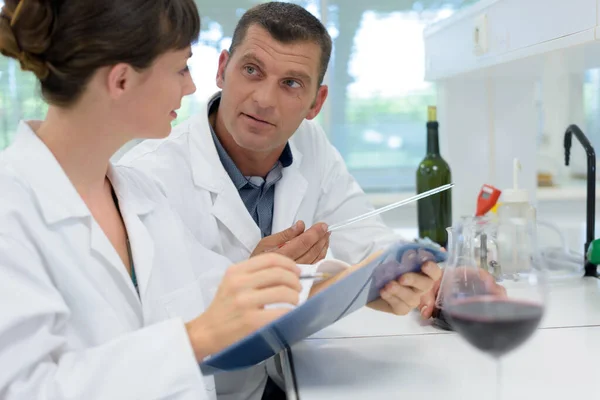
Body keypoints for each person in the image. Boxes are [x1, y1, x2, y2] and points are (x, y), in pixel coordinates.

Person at [119, 2, 442, 399]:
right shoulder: (146, 175)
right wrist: (248, 280)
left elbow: (369, 240)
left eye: (291, 83)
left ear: (315, 103)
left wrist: (417, 281)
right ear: (222, 69)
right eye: (251, 70)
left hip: (282, 377)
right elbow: (146, 336)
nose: (264, 99)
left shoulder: (311, 145)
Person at [0, 1, 312, 399]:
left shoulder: (137, 193)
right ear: (122, 81)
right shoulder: (10, 212)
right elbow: (23, 390)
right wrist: (194, 340)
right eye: (181, 67)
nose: (192, 86)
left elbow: (209, 289)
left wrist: (349, 283)